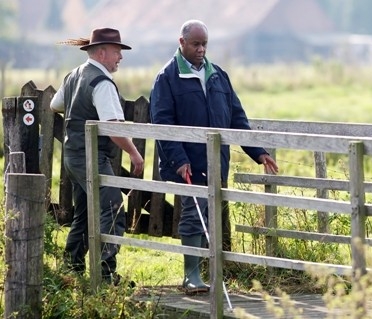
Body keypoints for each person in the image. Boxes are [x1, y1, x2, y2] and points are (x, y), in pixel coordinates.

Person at [149, 19, 278, 294]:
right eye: (196, 44)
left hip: (215, 160)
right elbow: (163, 125)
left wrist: (259, 152)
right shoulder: (167, 78)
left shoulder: (218, 75)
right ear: (181, 42)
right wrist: (179, 160)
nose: (201, 49)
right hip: (187, 163)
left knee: (209, 217)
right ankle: (191, 275)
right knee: (194, 215)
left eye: (205, 44)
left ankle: (206, 272)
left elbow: (237, 119)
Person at [50, 27, 144, 285]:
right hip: (93, 159)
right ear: (102, 52)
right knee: (113, 210)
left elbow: (55, 105)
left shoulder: (74, 75)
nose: (120, 58)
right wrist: (135, 154)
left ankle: (72, 270)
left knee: (85, 215)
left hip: (72, 158)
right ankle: (105, 275)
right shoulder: (101, 83)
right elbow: (113, 129)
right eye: (117, 52)